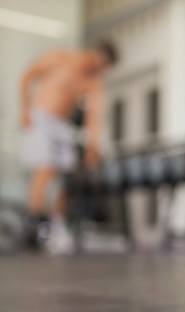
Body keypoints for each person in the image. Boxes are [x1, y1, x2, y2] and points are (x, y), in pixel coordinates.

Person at [20, 41, 118, 253]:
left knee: (67, 176)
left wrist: (92, 145)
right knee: (44, 169)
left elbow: (94, 116)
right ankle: (33, 224)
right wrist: (24, 107)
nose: (101, 72)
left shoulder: (92, 82)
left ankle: (57, 226)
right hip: (41, 118)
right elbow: (28, 74)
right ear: (96, 56)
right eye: (102, 67)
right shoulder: (61, 57)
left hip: (62, 127)